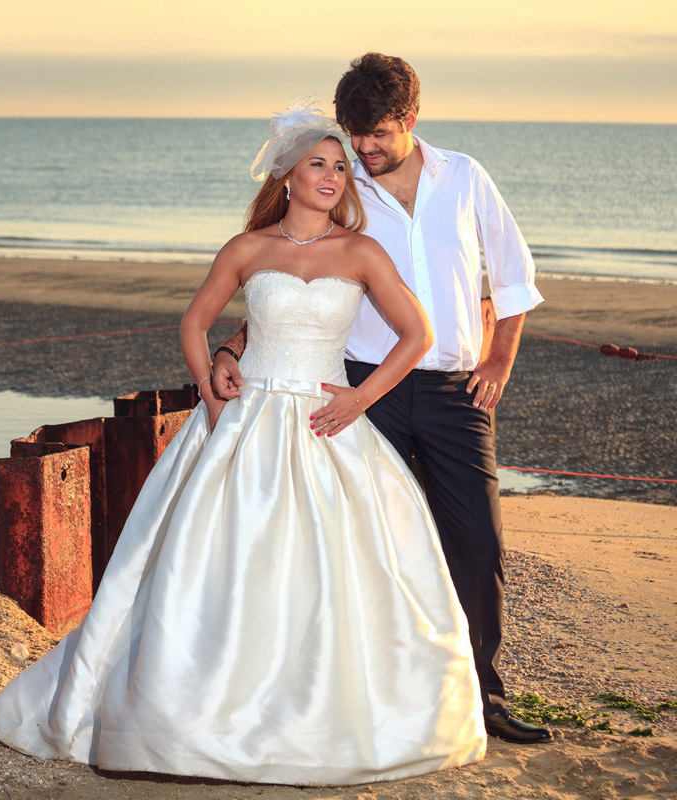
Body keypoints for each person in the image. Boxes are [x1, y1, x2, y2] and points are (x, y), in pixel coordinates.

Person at [0, 102, 487, 786]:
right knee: (212, 567)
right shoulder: (248, 249)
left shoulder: (362, 252)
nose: (334, 175)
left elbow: (418, 335)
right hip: (244, 422)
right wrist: (210, 382)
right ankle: (190, 718)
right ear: (287, 176)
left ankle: (325, 719)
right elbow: (194, 324)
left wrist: (360, 400)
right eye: (319, 164)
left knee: (334, 573)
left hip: (325, 423)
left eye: (341, 166)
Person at [212, 53, 549, 745]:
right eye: (354, 132)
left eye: (377, 134)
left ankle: (482, 696)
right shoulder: (341, 185)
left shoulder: (465, 178)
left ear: (410, 120)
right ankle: (382, 696)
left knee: (476, 544)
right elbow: (295, 274)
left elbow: (514, 279)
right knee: (370, 547)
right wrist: (234, 347)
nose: (363, 149)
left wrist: (499, 361)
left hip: (457, 393)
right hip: (362, 390)